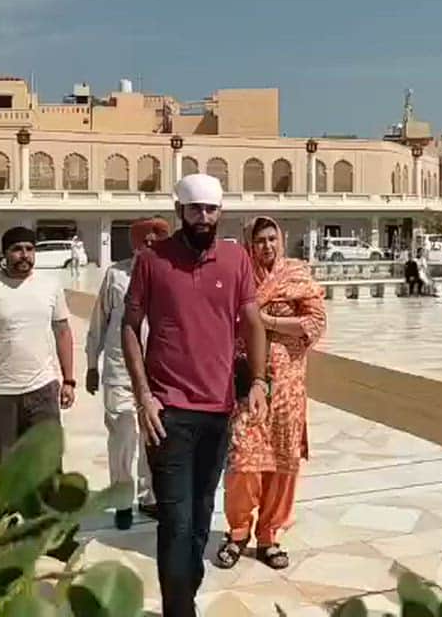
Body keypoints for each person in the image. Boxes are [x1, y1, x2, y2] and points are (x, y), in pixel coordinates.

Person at [122, 174, 268, 617]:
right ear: (179, 210)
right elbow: (130, 327)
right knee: (177, 522)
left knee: (202, 519)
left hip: (218, 411)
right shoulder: (152, 261)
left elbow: (251, 320)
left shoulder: (235, 259)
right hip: (167, 412)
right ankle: (179, 612)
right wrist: (144, 395)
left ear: (220, 211)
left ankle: (183, 600)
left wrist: (258, 380)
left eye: (210, 209)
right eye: (194, 209)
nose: (202, 217)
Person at [215, 216, 326, 572]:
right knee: (243, 461)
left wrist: (267, 322)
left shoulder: (296, 275)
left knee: (282, 462)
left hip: (289, 388)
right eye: (260, 240)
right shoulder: (240, 277)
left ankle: (269, 535)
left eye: (272, 239)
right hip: (249, 384)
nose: (267, 246)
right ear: (250, 244)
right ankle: (237, 531)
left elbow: (314, 324)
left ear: (282, 240)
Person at [0, 226, 76, 460]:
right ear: (4, 254)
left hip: (43, 390)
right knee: (5, 467)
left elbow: (62, 331)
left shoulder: (50, 286)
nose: (24, 255)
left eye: (30, 249)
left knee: (47, 464)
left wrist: (69, 380)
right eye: (17, 249)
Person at [86, 218, 170, 530]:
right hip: (120, 370)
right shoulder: (116, 275)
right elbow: (99, 321)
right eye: (144, 240)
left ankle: (149, 497)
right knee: (122, 434)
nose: (149, 245)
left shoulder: (169, 275)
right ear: (134, 243)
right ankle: (121, 499)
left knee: (153, 434)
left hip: (158, 373)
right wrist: (92, 364)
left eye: (155, 240)